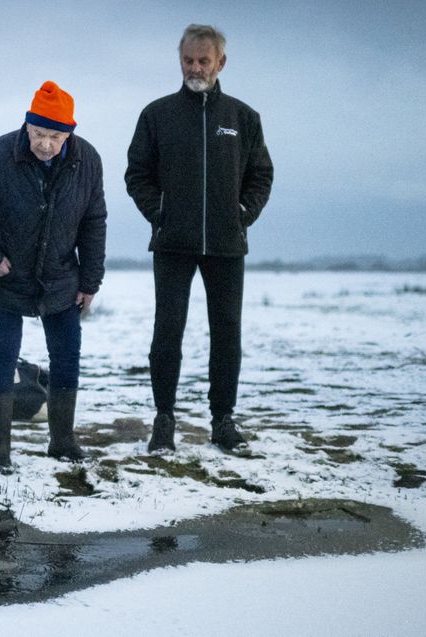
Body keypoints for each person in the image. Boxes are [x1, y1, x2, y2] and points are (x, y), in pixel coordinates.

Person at [125, 24, 274, 454]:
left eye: (203, 61)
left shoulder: (243, 118)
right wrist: (160, 213)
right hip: (172, 243)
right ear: (180, 60)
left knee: (226, 332)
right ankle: (164, 419)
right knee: (167, 331)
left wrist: (243, 214)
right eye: (188, 60)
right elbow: (137, 174)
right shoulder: (157, 114)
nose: (195, 68)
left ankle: (223, 420)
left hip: (227, 245)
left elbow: (261, 175)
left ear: (220, 62)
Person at [0, 80, 107, 471]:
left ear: (70, 132)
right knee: (1, 358)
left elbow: (94, 221)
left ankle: (63, 442)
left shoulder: (87, 160)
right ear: (27, 125)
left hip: (61, 277)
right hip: (6, 277)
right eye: (38, 133)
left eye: (55, 136)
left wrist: (90, 280)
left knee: (67, 356)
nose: (45, 144)